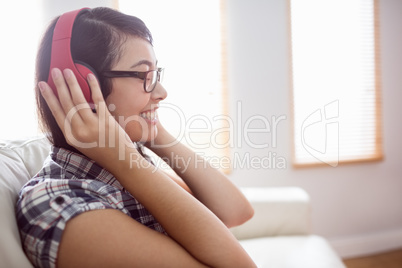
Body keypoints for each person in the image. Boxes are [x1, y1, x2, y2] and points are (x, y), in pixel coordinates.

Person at [16, 7, 255, 268]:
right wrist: (127, 160)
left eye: (156, 75)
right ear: (85, 89)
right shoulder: (63, 207)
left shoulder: (118, 168)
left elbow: (234, 211)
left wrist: (154, 134)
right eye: (144, 76)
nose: (162, 92)